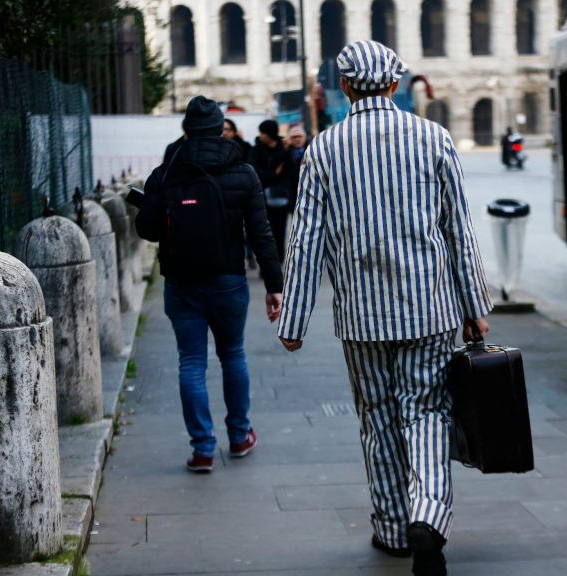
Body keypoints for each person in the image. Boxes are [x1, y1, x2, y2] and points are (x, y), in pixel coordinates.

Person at [277, 41, 492, 576]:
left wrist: (294, 319)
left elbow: (306, 240)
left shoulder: (323, 150)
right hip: (430, 310)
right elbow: (458, 231)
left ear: (345, 87)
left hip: (361, 317)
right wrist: (475, 304)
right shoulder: (434, 139)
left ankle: (395, 527)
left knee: (377, 418)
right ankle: (430, 517)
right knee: (427, 411)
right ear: (395, 84)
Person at [136, 96, 283, 473]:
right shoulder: (244, 172)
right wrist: (273, 284)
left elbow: (147, 230)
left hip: (181, 282)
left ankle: (202, 449)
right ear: (221, 128)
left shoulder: (166, 172)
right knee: (233, 354)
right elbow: (261, 233)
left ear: (186, 130)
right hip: (229, 280)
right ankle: (239, 436)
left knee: (191, 363)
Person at [248, 119, 292, 261]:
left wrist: (286, 152)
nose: (260, 136)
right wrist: (273, 174)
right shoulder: (256, 150)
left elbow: (292, 169)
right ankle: (267, 260)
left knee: (279, 230)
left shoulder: (283, 148)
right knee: (265, 231)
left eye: (263, 133)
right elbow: (254, 169)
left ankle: (278, 259)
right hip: (261, 195)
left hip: (280, 195)